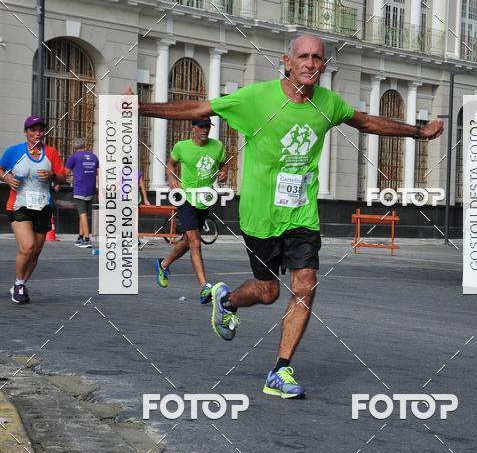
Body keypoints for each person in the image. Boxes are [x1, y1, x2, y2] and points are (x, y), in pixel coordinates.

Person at [140, 33, 443, 399]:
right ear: (287, 61)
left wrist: (418, 132)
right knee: (267, 293)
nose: (310, 63)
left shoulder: (328, 103)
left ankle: (280, 369)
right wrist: (138, 108)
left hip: (302, 215)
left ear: (324, 65)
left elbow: (365, 122)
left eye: (317, 57)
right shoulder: (256, 99)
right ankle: (227, 301)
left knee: (305, 285)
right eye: (303, 56)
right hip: (260, 216)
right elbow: (199, 109)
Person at [153, 119, 227, 301]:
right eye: (201, 127)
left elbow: (223, 164)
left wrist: (224, 172)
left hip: (205, 198)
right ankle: (204, 287)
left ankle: (163, 264)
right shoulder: (181, 147)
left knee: (188, 241)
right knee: (195, 242)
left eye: (208, 127)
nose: (205, 130)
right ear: (193, 128)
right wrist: (170, 178)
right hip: (185, 197)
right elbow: (170, 164)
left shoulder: (218, 147)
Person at [0, 116, 68, 304]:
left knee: (36, 251)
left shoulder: (51, 153)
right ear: (26, 132)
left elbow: (63, 177)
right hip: (18, 205)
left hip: (43, 205)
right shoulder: (14, 151)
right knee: (28, 246)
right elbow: (1, 168)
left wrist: (52, 175)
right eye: (33, 130)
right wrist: (6, 178)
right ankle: (20, 284)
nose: (37, 134)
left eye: (40, 130)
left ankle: (19, 283)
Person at [66, 137, 99, 248]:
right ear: (85, 145)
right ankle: (80, 237)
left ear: (74, 146)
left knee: (82, 214)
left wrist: (57, 182)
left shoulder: (73, 157)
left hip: (80, 188)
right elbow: (98, 173)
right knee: (84, 214)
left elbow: (65, 173)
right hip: (91, 188)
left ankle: (87, 239)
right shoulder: (94, 157)